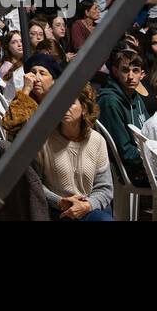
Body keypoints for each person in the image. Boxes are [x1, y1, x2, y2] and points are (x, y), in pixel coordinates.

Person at [35, 83, 114, 220]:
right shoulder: (44, 140)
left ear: (84, 108)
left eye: (70, 103)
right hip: (56, 210)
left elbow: (105, 188)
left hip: (87, 209)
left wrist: (87, 205)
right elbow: (35, 184)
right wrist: (60, 202)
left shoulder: (97, 141)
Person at [96, 49, 150, 186]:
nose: (130, 76)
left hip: (143, 161)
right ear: (115, 71)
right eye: (125, 70)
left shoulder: (134, 96)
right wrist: (156, 159)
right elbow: (125, 152)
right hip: (129, 171)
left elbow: (150, 131)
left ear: (142, 74)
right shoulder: (110, 102)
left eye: (135, 71)